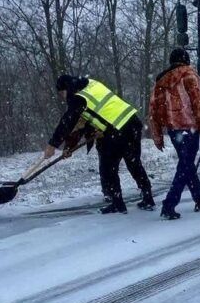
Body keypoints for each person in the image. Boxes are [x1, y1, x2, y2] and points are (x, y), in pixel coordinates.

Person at [45, 75, 155, 214]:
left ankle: (117, 203)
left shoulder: (78, 97)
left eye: (61, 93)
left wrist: (52, 145)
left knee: (108, 168)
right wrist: (69, 147)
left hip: (116, 131)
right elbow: (88, 120)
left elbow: (69, 121)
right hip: (132, 124)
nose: (62, 97)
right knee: (134, 164)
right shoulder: (92, 84)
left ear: (66, 88)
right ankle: (148, 198)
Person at [149, 48, 200, 220]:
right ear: (186, 60)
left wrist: (157, 134)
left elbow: (153, 109)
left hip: (173, 129)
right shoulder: (190, 77)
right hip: (190, 127)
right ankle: (169, 204)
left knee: (187, 165)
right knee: (185, 166)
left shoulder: (161, 81)